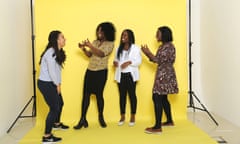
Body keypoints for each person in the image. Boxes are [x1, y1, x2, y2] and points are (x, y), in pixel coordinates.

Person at [74, 22, 116, 129]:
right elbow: (90, 55)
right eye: (98, 30)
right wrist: (84, 49)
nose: (99, 32)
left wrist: (90, 46)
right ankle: (82, 119)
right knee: (86, 95)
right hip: (90, 71)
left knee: (99, 95)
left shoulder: (110, 44)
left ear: (107, 32)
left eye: (101, 30)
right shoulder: (95, 42)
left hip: (101, 72)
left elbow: (101, 54)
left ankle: (101, 117)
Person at [141, 26, 178, 134]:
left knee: (156, 97)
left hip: (165, 75)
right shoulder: (164, 46)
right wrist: (149, 54)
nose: (156, 35)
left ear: (164, 34)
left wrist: (147, 52)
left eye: (158, 33)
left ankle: (157, 127)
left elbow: (158, 60)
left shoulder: (168, 47)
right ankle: (169, 121)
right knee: (163, 98)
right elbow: (157, 60)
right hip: (164, 74)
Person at [37, 30, 68, 143]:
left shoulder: (57, 51)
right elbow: (51, 71)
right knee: (54, 108)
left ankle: (56, 124)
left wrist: (58, 84)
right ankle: (47, 136)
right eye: (62, 37)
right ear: (57, 40)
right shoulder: (51, 52)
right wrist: (57, 84)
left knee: (60, 103)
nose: (65, 39)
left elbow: (57, 71)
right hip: (46, 84)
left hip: (51, 83)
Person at [113, 29, 142, 126]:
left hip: (130, 75)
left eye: (125, 35)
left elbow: (139, 61)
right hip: (121, 75)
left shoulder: (135, 48)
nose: (123, 37)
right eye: (122, 35)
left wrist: (129, 62)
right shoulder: (118, 48)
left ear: (130, 37)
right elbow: (116, 59)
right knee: (122, 96)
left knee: (132, 95)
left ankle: (133, 116)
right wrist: (115, 62)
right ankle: (122, 116)